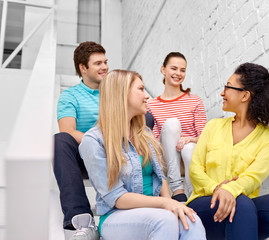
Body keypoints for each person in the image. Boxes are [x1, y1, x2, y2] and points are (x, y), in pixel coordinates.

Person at [78, 70, 206, 240]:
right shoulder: (93, 141)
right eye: (140, 89)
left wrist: (172, 204)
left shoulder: (144, 134)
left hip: (155, 211)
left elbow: (160, 177)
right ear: (121, 94)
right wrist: (165, 203)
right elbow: (116, 198)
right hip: (116, 216)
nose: (147, 96)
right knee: (165, 221)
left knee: (192, 220)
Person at [186, 63, 269, 240]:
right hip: (205, 206)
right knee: (241, 202)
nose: (222, 93)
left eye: (227, 87)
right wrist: (219, 188)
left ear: (245, 95)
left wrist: (231, 190)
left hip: (244, 214)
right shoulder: (213, 126)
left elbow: (253, 176)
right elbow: (195, 170)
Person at [54, 42, 154, 240]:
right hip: (90, 156)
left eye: (106, 62)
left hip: (123, 151)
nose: (105, 67)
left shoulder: (116, 91)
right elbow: (68, 130)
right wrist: (103, 142)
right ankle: (80, 220)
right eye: (98, 63)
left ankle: (146, 196)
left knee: (147, 118)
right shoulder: (70, 96)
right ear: (83, 68)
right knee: (61, 140)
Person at [146, 52, 207, 201]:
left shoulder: (195, 101)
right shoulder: (151, 105)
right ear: (163, 70)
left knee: (188, 148)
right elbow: (152, 141)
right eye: (174, 68)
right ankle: (177, 190)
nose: (178, 73)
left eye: (182, 70)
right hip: (168, 160)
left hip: (191, 156)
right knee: (172, 123)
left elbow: (205, 137)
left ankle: (195, 195)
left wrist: (189, 140)